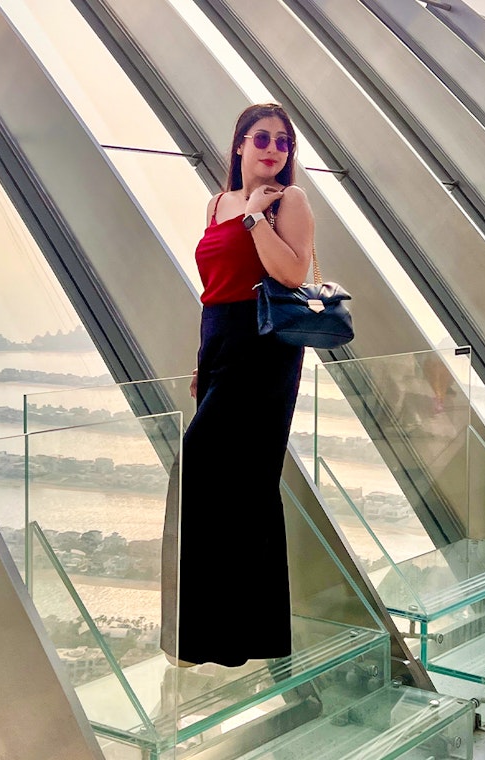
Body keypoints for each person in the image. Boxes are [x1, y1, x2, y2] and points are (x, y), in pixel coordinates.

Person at [160, 103, 315, 668]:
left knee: (240, 482)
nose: (273, 149)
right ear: (239, 145)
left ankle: (241, 638)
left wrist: (254, 218)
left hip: (266, 350)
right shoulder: (214, 203)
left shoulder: (287, 201)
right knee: (219, 484)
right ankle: (220, 635)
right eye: (262, 139)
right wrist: (203, 356)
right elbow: (213, 285)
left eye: (283, 142)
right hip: (221, 341)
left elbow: (292, 274)